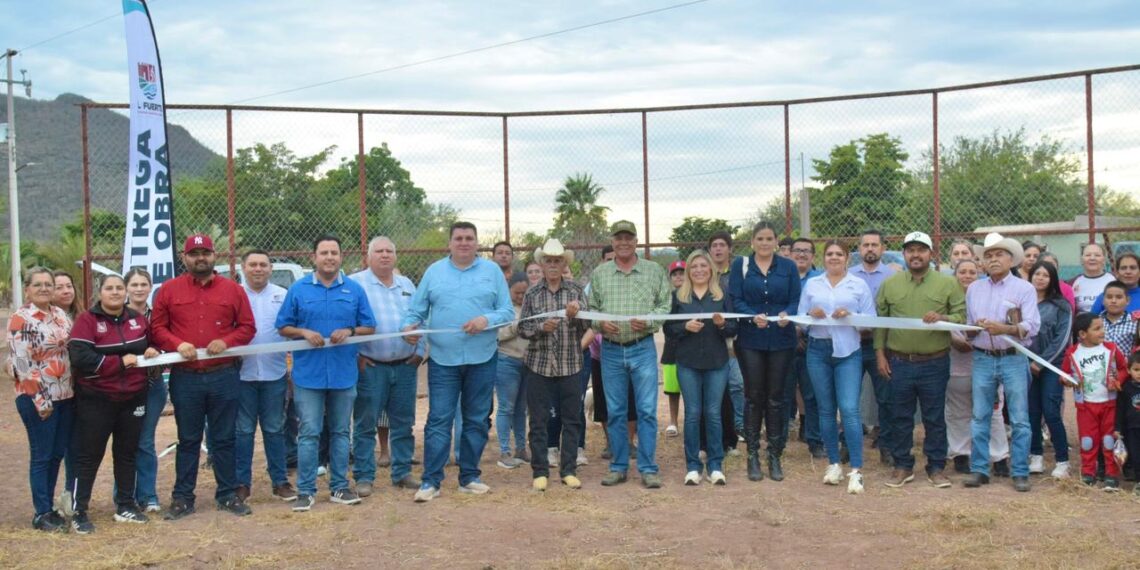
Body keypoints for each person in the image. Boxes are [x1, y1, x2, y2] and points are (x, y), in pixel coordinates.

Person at [403, 221, 514, 502]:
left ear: (477, 243)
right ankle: (431, 482)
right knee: (439, 419)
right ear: (450, 243)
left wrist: (485, 320)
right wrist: (409, 329)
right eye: (459, 238)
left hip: (483, 358)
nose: (464, 242)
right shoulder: (434, 272)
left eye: (469, 238)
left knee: (477, 419)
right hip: (443, 359)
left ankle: (469, 477)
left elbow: (507, 311)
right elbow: (415, 310)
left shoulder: (492, 272)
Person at [151, 234, 256, 520]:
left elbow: (247, 327)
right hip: (186, 378)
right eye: (194, 253)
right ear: (184, 258)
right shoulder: (169, 290)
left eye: (205, 253)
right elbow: (157, 328)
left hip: (224, 375)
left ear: (214, 256)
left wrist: (227, 341)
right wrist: (176, 344)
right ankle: (183, 498)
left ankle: (227, 495)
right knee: (188, 439)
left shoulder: (233, 290)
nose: (200, 258)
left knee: (224, 438)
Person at [277, 235, 376, 511]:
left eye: (334, 252)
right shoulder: (298, 290)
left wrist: (351, 330)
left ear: (341, 257)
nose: (329, 257)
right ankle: (306, 491)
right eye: (324, 253)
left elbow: (370, 326)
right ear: (314, 258)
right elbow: (282, 326)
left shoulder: (354, 290)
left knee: (342, 431)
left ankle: (339, 487)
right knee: (309, 432)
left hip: (344, 373)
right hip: (308, 375)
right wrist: (303, 332)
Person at [67, 274, 159, 533]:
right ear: (100, 292)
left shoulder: (137, 319)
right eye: (110, 288)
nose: (116, 293)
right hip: (97, 399)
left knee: (126, 453)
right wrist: (120, 362)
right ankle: (79, 511)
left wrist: (152, 351)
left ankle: (125, 506)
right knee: (89, 456)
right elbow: (80, 356)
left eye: (120, 288)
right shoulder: (87, 320)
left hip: (133, 397)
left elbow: (150, 345)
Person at [875, 231, 966, 489]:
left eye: (921, 249)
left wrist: (943, 318)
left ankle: (936, 467)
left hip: (934, 363)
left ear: (931, 253)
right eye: (910, 250)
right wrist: (880, 354)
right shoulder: (890, 285)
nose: (915, 254)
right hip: (899, 362)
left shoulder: (948, 284)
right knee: (900, 416)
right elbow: (881, 324)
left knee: (934, 417)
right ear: (904, 254)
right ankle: (903, 465)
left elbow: (962, 316)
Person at [589, 220, 672, 489]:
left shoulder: (653, 270)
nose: (623, 242)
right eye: (618, 238)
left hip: (642, 347)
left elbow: (664, 305)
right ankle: (619, 466)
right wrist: (600, 323)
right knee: (615, 412)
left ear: (636, 241)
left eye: (628, 237)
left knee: (647, 410)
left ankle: (648, 468)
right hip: (611, 350)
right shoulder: (600, 273)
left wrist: (649, 322)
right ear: (612, 242)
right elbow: (591, 310)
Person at [963, 232, 1041, 492]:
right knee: (979, 415)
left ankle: (1019, 471)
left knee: (1019, 417)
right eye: (989, 256)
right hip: (982, 357)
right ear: (982, 262)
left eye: (999, 255)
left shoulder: (1024, 288)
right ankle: (979, 469)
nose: (993, 260)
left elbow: (1032, 326)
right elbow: (968, 326)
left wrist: (1004, 329)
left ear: (1011, 260)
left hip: (1013, 358)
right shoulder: (974, 288)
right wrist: (972, 329)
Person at [349, 236, 425, 494]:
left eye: (389, 251)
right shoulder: (356, 283)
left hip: (405, 365)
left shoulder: (406, 284)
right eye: (378, 251)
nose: (384, 255)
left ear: (395, 256)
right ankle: (364, 476)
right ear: (368, 257)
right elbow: (347, 322)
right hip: (371, 366)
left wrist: (420, 351)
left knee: (403, 422)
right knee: (365, 423)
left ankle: (402, 472)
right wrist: (356, 355)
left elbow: (420, 318)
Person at [799, 241, 875, 494]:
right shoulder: (812, 284)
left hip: (848, 352)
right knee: (825, 410)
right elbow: (801, 321)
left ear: (847, 258)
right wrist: (812, 315)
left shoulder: (858, 285)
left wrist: (850, 317)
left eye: (839, 254)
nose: (834, 258)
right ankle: (833, 463)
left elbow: (870, 322)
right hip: (818, 350)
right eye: (829, 254)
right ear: (823, 258)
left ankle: (856, 470)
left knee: (850, 409)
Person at [729, 221, 801, 482]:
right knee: (753, 396)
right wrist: (750, 316)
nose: (764, 243)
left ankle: (774, 454)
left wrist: (787, 314)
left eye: (769, 238)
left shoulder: (789, 266)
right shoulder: (741, 266)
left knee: (776, 397)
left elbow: (795, 300)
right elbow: (735, 298)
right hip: (751, 340)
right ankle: (752, 455)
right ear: (752, 241)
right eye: (760, 238)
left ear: (776, 242)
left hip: (781, 339)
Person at [518, 238, 589, 491]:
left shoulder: (576, 291)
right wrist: (540, 328)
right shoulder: (532, 293)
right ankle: (540, 471)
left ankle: (568, 470)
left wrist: (576, 315)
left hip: (571, 364)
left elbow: (587, 326)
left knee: (572, 419)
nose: (552, 265)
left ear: (563, 264)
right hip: (539, 364)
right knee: (538, 420)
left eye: (557, 261)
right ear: (542, 263)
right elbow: (523, 328)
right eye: (548, 261)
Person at [8, 267, 75, 532]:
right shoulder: (20, 319)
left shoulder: (59, 315)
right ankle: (42, 512)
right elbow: (22, 364)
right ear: (28, 289)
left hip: (66, 395)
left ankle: (49, 507)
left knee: (57, 454)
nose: (45, 288)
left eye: (49, 284)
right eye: (39, 285)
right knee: (42, 454)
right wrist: (41, 401)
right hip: (37, 397)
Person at [665, 249, 738, 486]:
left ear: (711, 269)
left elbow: (733, 329)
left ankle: (715, 465)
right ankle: (693, 467)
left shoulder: (721, 295)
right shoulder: (679, 296)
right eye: (694, 266)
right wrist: (684, 327)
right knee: (693, 414)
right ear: (688, 271)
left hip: (717, 362)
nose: (699, 270)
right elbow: (668, 329)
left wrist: (721, 324)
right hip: (688, 363)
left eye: (703, 266)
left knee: (713, 413)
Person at [235, 250, 296, 503]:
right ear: (243, 268)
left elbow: (291, 332)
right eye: (253, 265)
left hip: (275, 374)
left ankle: (279, 481)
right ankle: (241, 484)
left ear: (271, 269)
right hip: (241, 375)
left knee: (274, 428)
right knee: (243, 430)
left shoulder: (283, 295)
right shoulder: (234, 295)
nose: (258, 269)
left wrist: (292, 367)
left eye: (263, 265)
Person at [944, 259, 1010, 477]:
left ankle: (999, 456)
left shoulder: (988, 297)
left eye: (972, 271)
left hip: (988, 363)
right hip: (957, 366)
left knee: (992, 412)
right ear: (955, 275)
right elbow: (948, 330)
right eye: (962, 271)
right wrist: (956, 339)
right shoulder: (949, 300)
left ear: (979, 274)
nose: (967, 275)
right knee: (958, 412)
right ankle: (961, 453)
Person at [1061, 312, 1128, 490]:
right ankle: (1088, 472)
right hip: (1086, 407)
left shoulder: (1111, 349)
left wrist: (1118, 381)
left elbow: (1124, 369)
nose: (1102, 332)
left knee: (1108, 439)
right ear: (1083, 334)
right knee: (1088, 440)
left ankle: (1111, 473)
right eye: (1097, 328)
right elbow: (1065, 374)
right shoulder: (1073, 352)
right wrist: (1067, 380)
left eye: (1102, 327)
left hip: (1109, 404)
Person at [849, 229, 898, 465]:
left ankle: (886, 445)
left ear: (883, 249)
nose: (870, 249)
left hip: (882, 347)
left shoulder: (893, 277)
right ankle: (847, 444)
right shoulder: (847, 276)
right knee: (848, 397)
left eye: (874, 245)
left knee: (886, 398)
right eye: (865, 245)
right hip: (851, 345)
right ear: (859, 249)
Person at [587, 245, 637, 458]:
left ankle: (629, 442)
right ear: (601, 261)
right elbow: (588, 318)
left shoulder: (632, 281)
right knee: (604, 402)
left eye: (614, 258)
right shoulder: (591, 287)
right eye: (607, 259)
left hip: (630, 349)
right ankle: (611, 443)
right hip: (600, 354)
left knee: (631, 400)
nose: (611, 262)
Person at [123, 268, 166, 513]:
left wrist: (156, 348)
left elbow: (166, 337)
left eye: (143, 284)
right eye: (134, 284)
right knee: (126, 442)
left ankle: (148, 495)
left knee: (145, 441)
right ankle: (124, 496)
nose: (139, 289)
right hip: (123, 387)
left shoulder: (158, 314)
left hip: (152, 385)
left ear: (150, 287)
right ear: (127, 287)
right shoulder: (116, 313)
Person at [1027, 261, 1073, 478]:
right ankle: (1035, 456)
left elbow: (1062, 339)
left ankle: (1062, 460)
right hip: (1026, 366)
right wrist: (1028, 363)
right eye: (1037, 273)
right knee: (1031, 412)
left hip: (1051, 366)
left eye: (1046, 275)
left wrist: (1041, 362)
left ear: (1052, 279)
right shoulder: (1023, 302)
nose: (1041, 278)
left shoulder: (1062, 306)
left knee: (1051, 411)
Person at [786, 237, 824, 457]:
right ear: (790, 253)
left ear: (813, 255)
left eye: (806, 251)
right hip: (785, 341)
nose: (801, 254)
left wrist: (804, 330)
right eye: (797, 250)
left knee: (812, 394)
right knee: (782, 393)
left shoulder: (820, 279)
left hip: (812, 343)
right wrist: (793, 331)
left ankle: (814, 441)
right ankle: (779, 441)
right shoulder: (782, 277)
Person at [707, 231, 745, 440]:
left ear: (729, 249)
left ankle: (739, 425)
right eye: (715, 245)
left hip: (735, 336)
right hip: (710, 338)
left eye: (722, 245)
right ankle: (718, 427)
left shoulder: (738, 274)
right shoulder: (704, 273)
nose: (719, 249)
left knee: (737, 383)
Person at [495, 274, 531, 469]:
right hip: (506, 360)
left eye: (524, 293)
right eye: (516, 293)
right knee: (506, 406)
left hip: (527, 362)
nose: (520, 296)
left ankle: (521, 448)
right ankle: (504, 450)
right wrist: (517, 327)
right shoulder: (502, 310)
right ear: (508, 291)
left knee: (521, 408)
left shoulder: (531, 308)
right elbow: (496, 334)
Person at [661, 260, 686, 438]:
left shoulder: (693, 297)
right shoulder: (668, 298)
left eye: (682, 273)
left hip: (690, 350)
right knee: (672, 390)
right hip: (671, 350)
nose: (679, 277)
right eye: (675, 274)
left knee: (692, 390)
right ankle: (673, 422)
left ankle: (691, 422)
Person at [1114, 352, 1140, 497]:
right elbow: (1120, 410)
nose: (1139, 373)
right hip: (1132, 429)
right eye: (1136, 370)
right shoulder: (1126, 388)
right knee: (1136, 455)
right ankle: (1138, 481)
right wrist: (1118, 428)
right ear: (1129, 370)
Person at [1070, 243, 1113, 313]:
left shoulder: (1114, 280)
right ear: (1082, 259)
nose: (1092, 258)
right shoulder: (1073, 283)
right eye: (1088, 255)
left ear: (1104, 260)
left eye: (1097, 255)